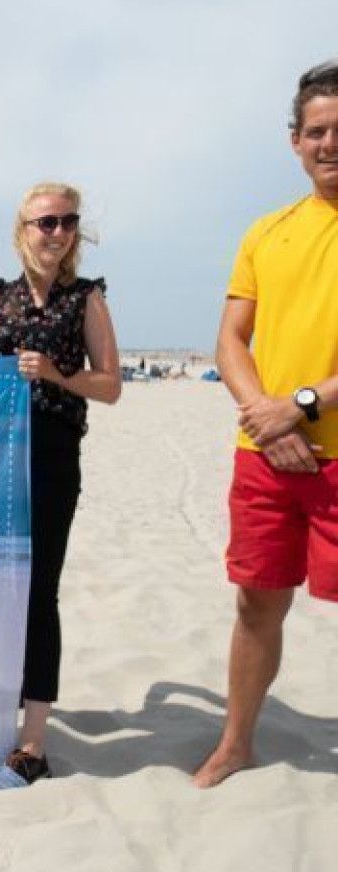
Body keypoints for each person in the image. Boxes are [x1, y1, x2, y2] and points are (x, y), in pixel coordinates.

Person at [194, 59, 338, 789]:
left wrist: (304, 406)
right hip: (265, 456)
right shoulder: (267, 231)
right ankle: (237, 741)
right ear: (295, 141)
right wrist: (267, 419)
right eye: (318, 131)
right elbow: (230, 341)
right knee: (257, 602)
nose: (330, 144)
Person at [0, 182, 121, 783]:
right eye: (45, 221)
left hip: (51, 459)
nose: (57, 232)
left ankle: (33, 738)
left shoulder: (87, 301)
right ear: (23, 229)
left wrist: (57, 374)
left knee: (38, 593)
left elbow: (111, 385)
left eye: (67, 221)